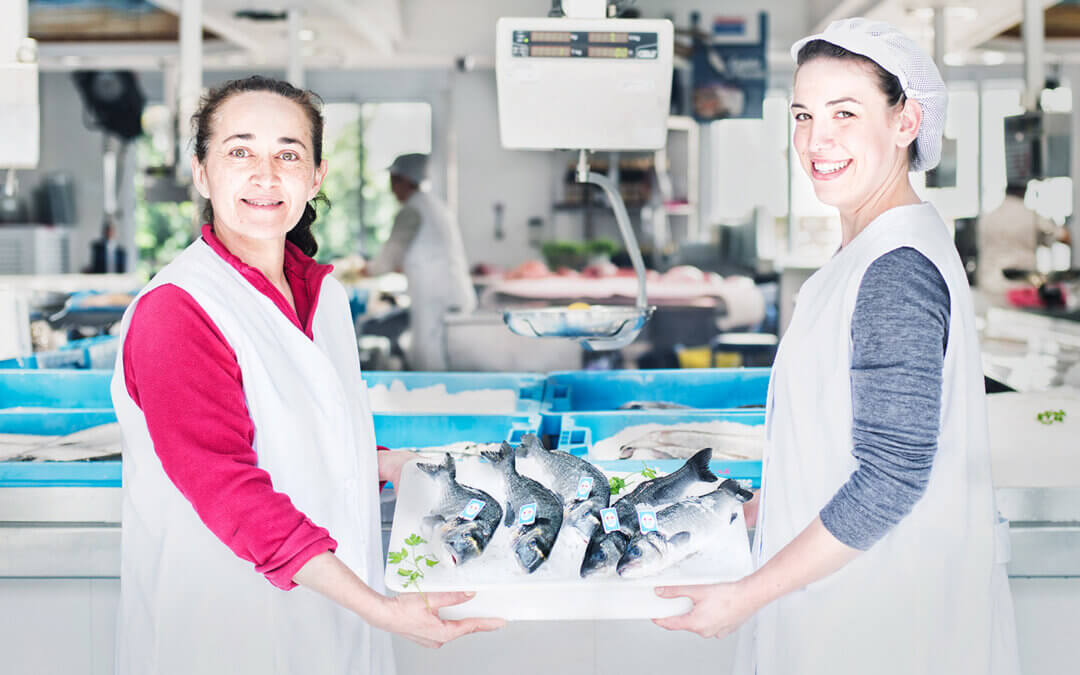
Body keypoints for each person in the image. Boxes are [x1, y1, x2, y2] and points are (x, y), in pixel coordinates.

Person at [652, 19, 1021, 675]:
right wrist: (748, 511)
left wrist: (744, 595)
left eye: (844, 114)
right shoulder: (870, 250)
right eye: (802, 115)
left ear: (905, 121)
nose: (816, 140)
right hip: (855, 613)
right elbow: (840, 442)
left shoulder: (896, 271)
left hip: (880, 628)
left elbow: (892, 476)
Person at [109, 76, 502, 675]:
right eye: (239, 151)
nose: (265, 175)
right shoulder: (178, 310)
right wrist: (379, 608)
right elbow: (225, 484)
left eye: (287, 154)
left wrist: (386, 463)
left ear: (315, 176)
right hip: (224, 635)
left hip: (332, 624)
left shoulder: (324, 297)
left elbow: (304, 431)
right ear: (201, 172)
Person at [366, 153, 477, 371]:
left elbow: (384, 262)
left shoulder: (411, 210)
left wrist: (359, 269)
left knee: (428, 361)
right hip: (454, 294)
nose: (391, 188)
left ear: (406, 180)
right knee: (445, 361)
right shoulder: (435, 205)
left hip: (433, 299)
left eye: (393, 180)